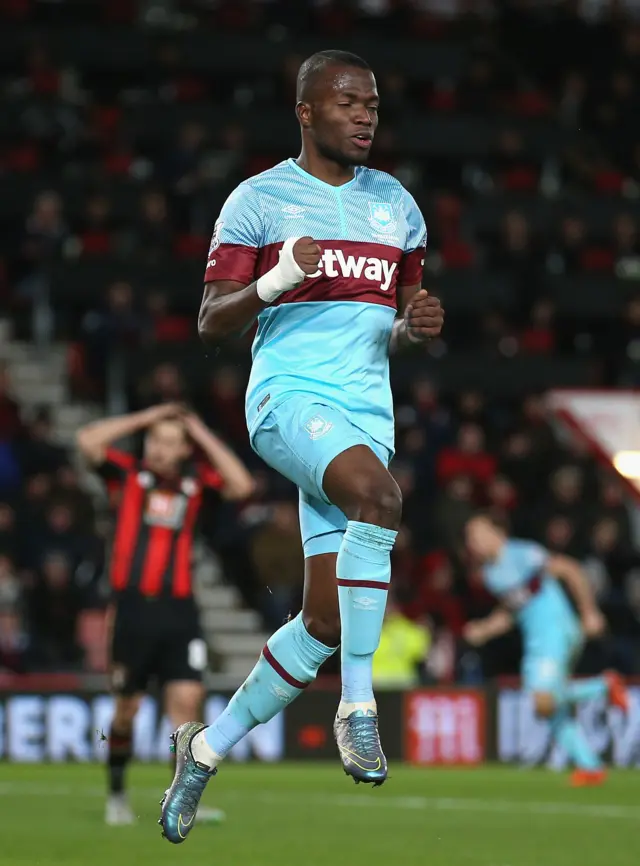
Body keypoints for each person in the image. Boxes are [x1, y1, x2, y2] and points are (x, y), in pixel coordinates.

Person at [159, 49, 444, 844]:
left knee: (321, 622)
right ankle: (360, 707)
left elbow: (397, 317)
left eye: (374, 104)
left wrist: (413, 329)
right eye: (348, 102)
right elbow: (213, 320)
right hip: (287, 403)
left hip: (365, 414)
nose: (365, 116)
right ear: (307, 111)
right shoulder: (258, 200)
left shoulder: (398, 205)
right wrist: (276, 280)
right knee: (381, 499)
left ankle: (205, 751)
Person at [76, 403, 254, 825]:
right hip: (132, 612)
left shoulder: (195, 485)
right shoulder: (126, 476)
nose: (159, 448)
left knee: (188, 705)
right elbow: (87, 440)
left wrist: (198, 427)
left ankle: (183, 797)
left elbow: (241, 485)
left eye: (170, 442)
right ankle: (117, 795)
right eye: (155, 440)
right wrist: (149, 416)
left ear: (183, 451)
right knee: (126, 710)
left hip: (179, 613)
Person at [463, 513, 629, 787]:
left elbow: (569, 569)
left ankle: (604, 685)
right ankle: (590, 766)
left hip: (555, 629)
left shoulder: (522, 553)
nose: (474, 543)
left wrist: (589, 611)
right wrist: (483, 629)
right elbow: (511, 612)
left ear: (497, 532)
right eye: (470, 538)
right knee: (547, 709)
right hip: (537, 640)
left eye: (478, 534)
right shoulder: (492, 575)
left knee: (543, 699)